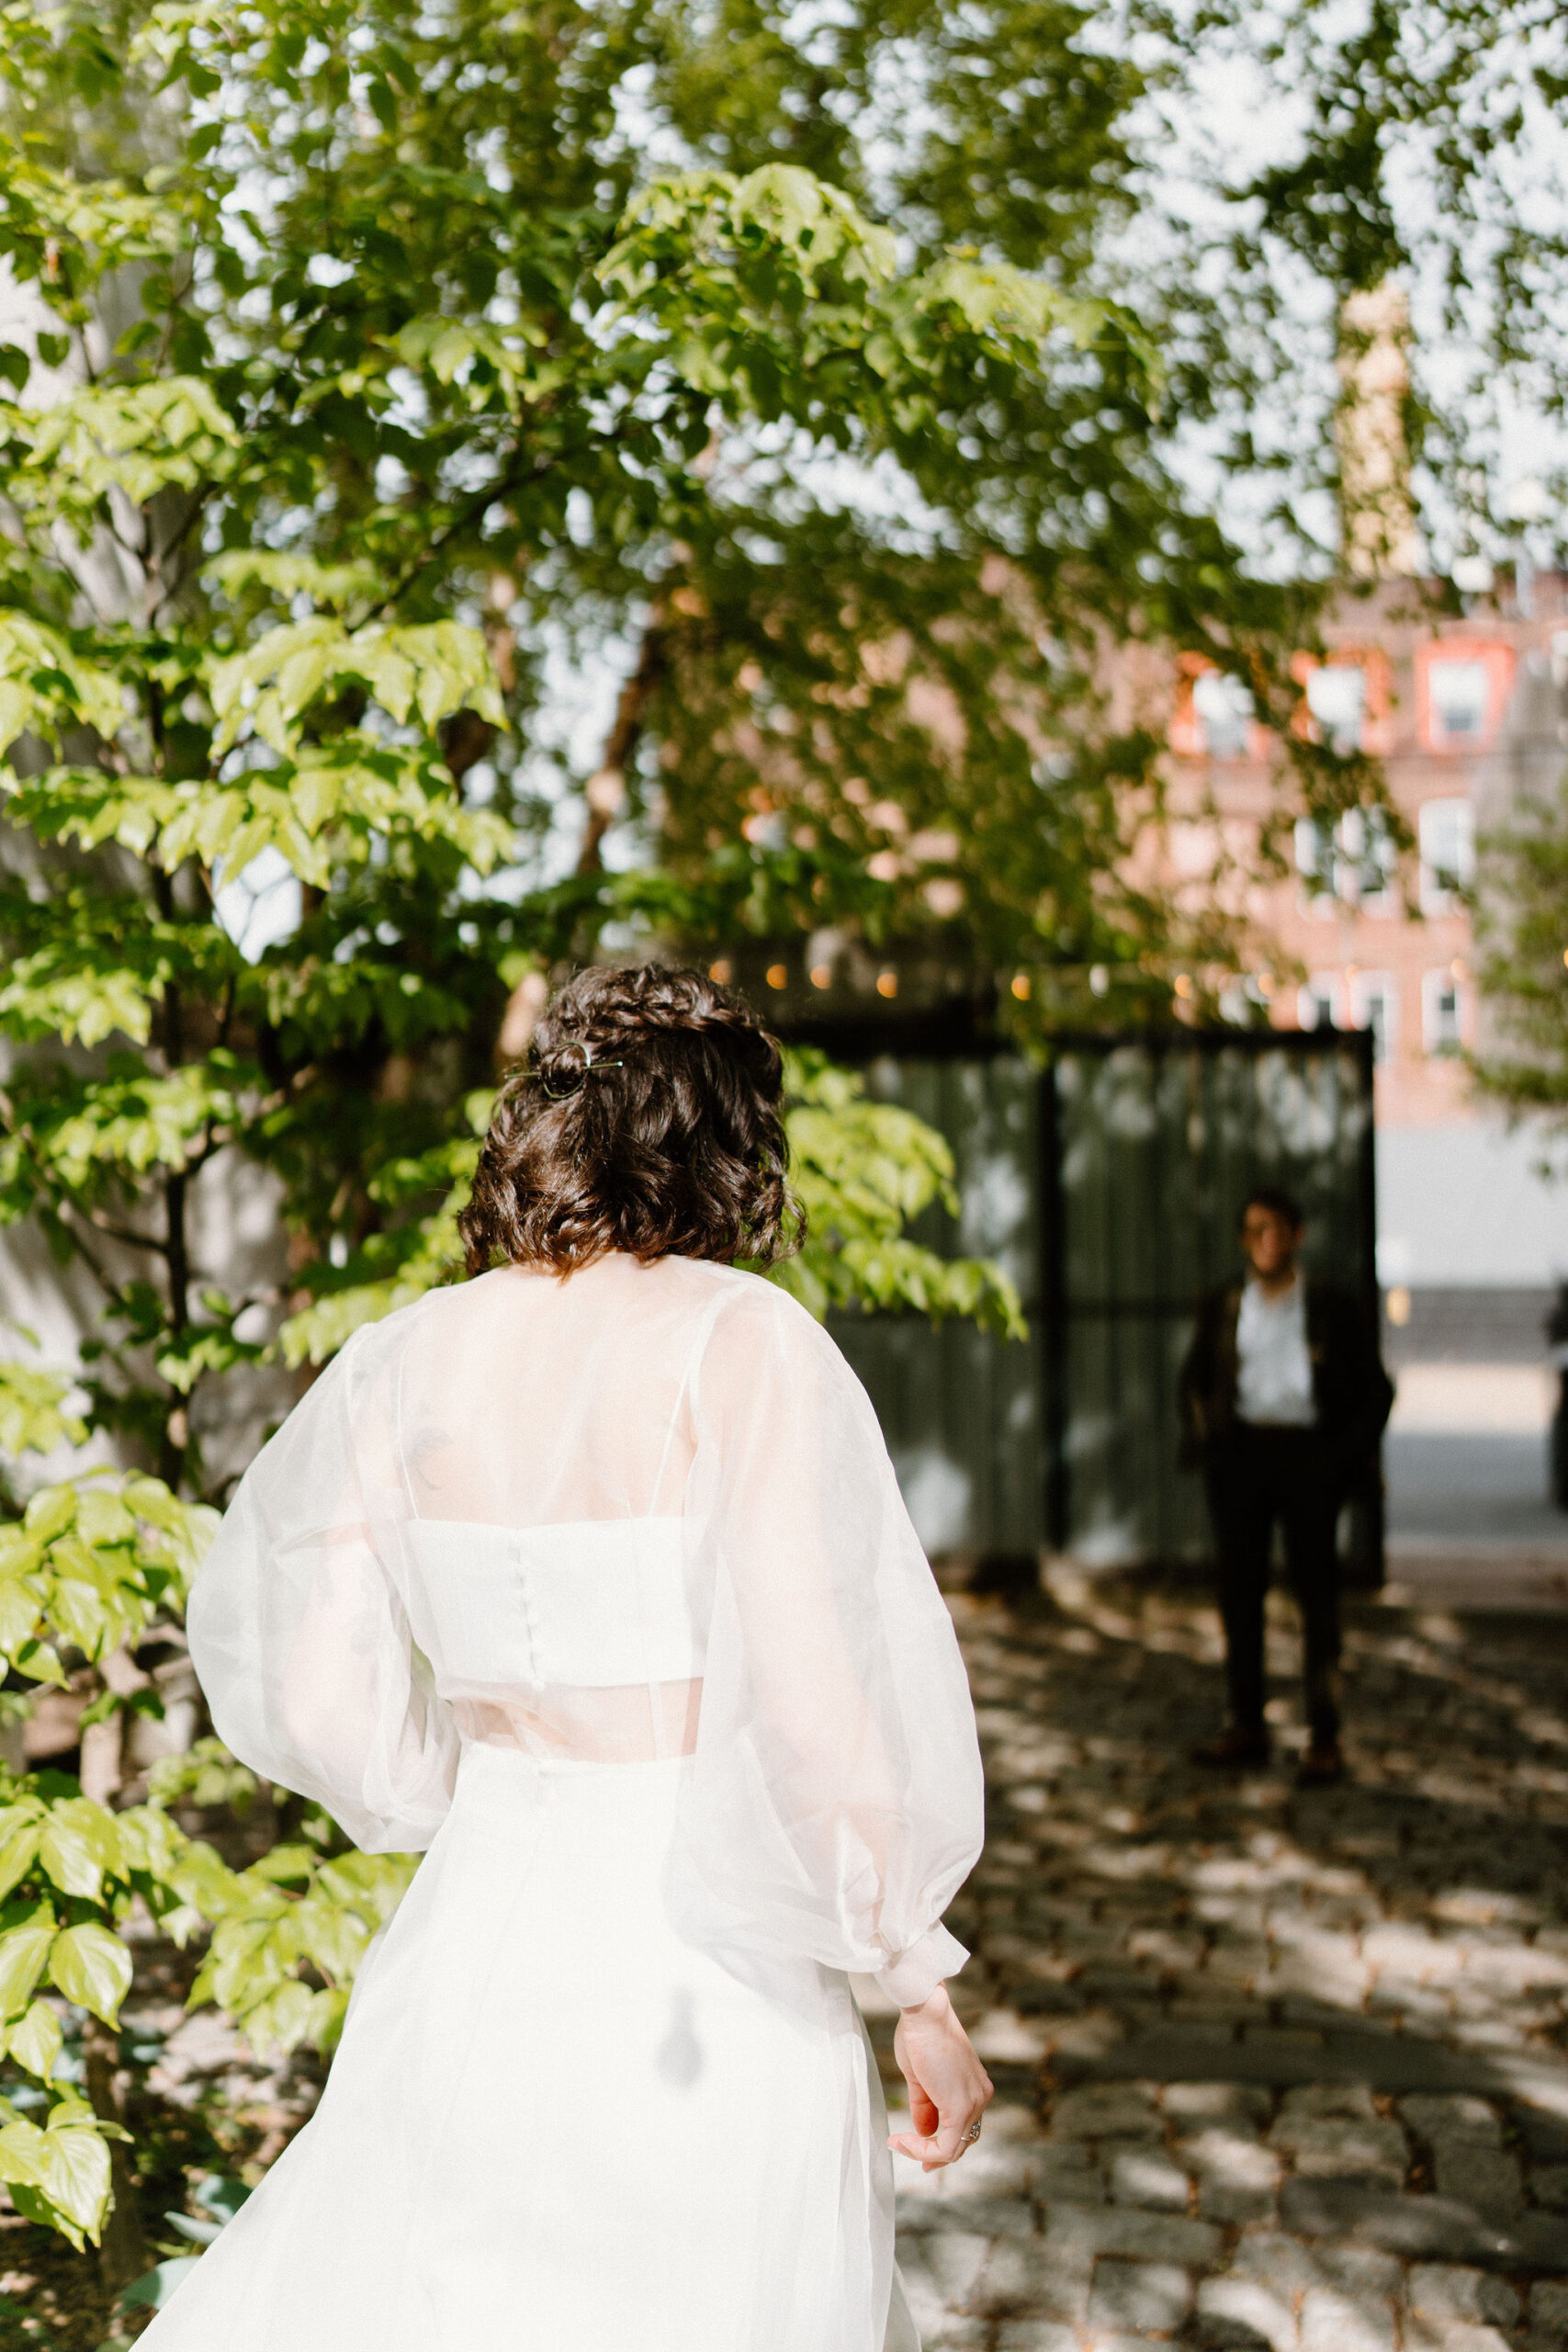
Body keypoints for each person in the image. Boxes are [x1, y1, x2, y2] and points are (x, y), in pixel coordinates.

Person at [143, 965, 991, 2352]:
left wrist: (451, 1792)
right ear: (721, 1145)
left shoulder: (405, 1354)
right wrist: (915, 1984)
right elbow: (811, 1695)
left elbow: (306, 1684)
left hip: (476, 1924)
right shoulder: (741, 1345)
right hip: (700, 1961)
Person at [1178, 1184, 1393, 1789]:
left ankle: (1323, 1737)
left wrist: (1339, 1457)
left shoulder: (1327, 1305)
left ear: (1296, 1236)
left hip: (1307, 1458)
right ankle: (1246, 1724)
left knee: (1316, 1599)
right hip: (1243, 1456)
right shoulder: (1224, 1303)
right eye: (1252, 1231)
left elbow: (1375, 1392)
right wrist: (1210, 1442)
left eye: (1275, 1229)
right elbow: (1193, 1380)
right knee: (1238, 1598)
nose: (1264, 1242)